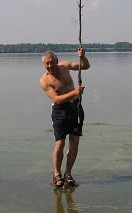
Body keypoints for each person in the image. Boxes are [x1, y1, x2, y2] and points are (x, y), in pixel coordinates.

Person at [39, 48, 90, 187]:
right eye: (47, 64)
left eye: (52, 62)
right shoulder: (44, 81)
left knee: (74, 142)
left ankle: (68, 173)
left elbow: (85, 66)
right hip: (60, 110)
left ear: (56, 60)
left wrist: (83, 57)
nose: (50, 66)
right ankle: (57, 174)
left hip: (76, 107)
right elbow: (56, 99)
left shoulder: (65, 67)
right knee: (60, 143)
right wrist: (75, 91)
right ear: (44, 64)